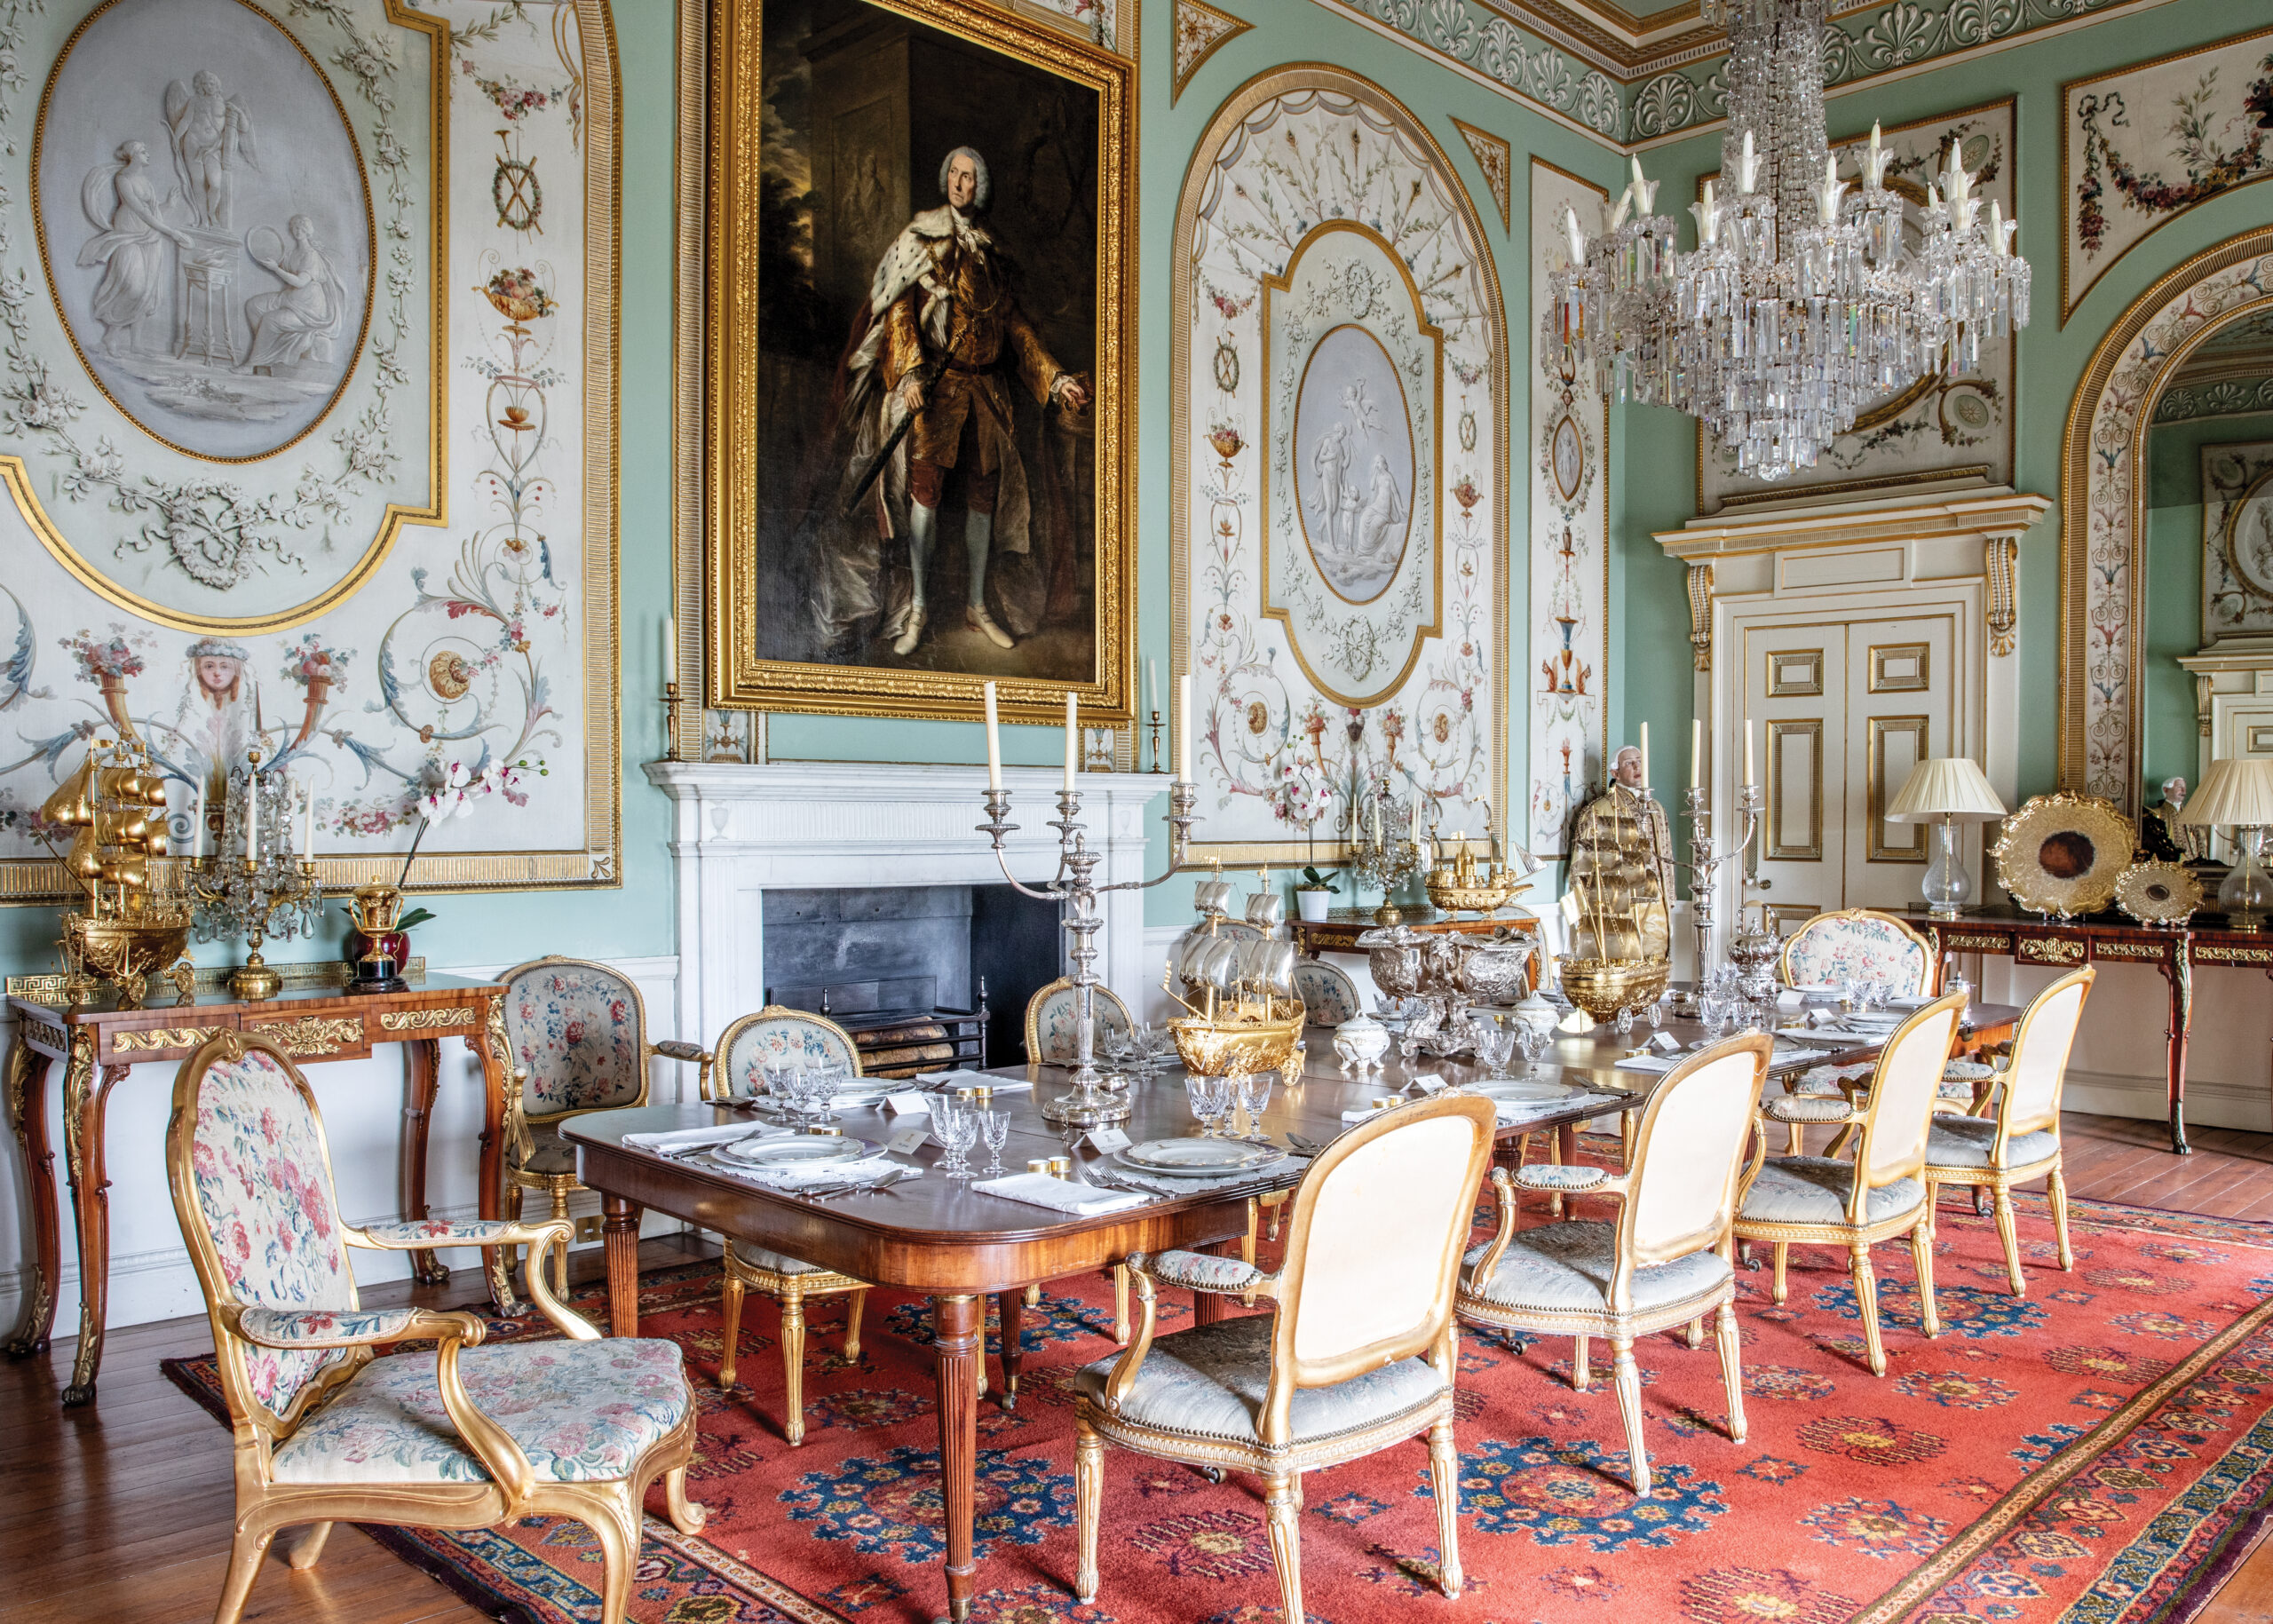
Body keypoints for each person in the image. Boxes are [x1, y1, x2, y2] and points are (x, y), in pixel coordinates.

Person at [847, 147, 1089, 657]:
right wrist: (911, 372)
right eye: (955, 174)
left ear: (981, 186)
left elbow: (1017, 330)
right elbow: (900, 312)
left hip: (987, 395)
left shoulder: (990, 256)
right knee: (925, 497)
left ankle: (976, 606)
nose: (962, 183)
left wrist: (1056, 376)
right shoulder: (921, 239)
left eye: (970, 176)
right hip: (938, 388)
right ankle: (917, 608)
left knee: (984, 499)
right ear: (945, 180)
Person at [76, 142, 191, 356]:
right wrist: (172, 233)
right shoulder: (123, 178)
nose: (148, 154)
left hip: (151, 238)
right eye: (144, 152)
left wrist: (169, 205)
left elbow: (153, 213)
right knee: (132, 286)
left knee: (148, 291)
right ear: (134, 155)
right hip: (129, 234)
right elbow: (140, 211)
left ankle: (135, 343)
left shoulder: (146, 181)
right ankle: (111, 335)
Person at [241, 215, 345, 373]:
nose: (298, 231)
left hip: (309, 307)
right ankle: (266, 353)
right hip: (291, 297)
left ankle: (251, 365)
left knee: (270, 320)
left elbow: (300, 282)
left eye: (302, 228)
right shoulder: (292, 253)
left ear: (308, 231)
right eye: (295, 227)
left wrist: (276, 269)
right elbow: (279, 262)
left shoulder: (311, 255)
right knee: (253, 305)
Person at [165, 70, 257, 229]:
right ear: (201, 86)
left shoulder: (226, 104)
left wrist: (239, 112)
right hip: (193, 142)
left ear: (217, 85)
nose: (209, 86)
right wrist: (177, 137)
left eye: (212, 83)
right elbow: (186, 121)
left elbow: (244, 127)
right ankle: (203, 220)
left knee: (215, 184)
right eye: (206, 84)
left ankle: (211, 214)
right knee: (198, 181)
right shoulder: (194, 101)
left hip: (214, 148)